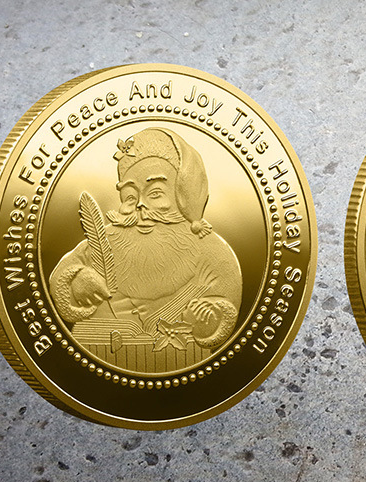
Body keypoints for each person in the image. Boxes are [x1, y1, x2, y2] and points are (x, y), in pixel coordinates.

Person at [50, 128, 242, 373]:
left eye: (156, 194)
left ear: (184, 197)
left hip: (180, 365)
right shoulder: (107, 239)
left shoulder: (212, 252)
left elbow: (225, 310)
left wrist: (208, 319)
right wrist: (77, 280)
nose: (141, 205)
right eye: (130, 196)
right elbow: (64, 275)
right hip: (96, 361)